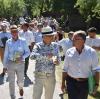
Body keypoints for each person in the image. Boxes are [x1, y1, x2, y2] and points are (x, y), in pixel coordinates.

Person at [61, 30, 99, 99]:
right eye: (73, 39)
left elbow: (96, 69)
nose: (73, 40)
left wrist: (96, 84)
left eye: (76, 39)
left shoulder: (92, 52)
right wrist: (63, 83)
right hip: (71, 82)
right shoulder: (69, 52)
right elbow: (65, 69)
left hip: (85, 83)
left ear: (83, 40)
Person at [30, 26, 60, 99]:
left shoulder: (55, 45)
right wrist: (45, 55)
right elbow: (32, 56)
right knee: (36, 97)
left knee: (49, 97)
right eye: (50, 36)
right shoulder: (38, 45)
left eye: (52, 35)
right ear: (44, 37)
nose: (52, 37)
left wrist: (57, 61)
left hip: (51, 76)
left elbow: (58, 58)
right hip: (39, 76)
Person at [3, 25, 30, 99]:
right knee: (11, 81)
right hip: (10, 63)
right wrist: (4, 66)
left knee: (20, 80)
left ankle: (20, 87)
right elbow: (5, 55)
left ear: (18, 32)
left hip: (20, 63)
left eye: (15, 31)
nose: (14, 33)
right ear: (10, 33)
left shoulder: (23, 41)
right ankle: (12, 96)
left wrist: (22, 57)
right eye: (12, 32)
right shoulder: (8, 42)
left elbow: (28, 52)